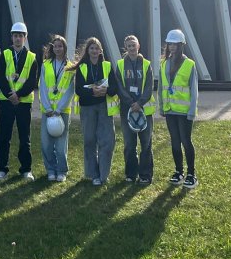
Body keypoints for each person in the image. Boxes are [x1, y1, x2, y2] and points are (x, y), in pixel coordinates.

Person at [67, 36, 118, 186]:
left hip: (104, 108)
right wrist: (93, 91)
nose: (94, 51)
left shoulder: (107, 66)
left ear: (101, 51)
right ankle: (92, 174)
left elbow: (114, 88)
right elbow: (78, 90)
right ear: (87, 50)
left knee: (107, 141)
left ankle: (103, 175)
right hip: (87, 108)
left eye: (97, 48)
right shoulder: (82, 67)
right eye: (92, 48)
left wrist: (105, 91)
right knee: (89, 141)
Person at [0, 22, 38, 181]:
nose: (18, 38)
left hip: (24, 102)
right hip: (7, 102)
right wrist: (10, 95)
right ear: (11, 37)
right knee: (3, 137)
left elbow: (32, 81)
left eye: (20, 36)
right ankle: (2, 169)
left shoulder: (32, 57)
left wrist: (18, 95)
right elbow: (0, 77)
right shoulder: (4, 54)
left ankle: (26, 169)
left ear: (25, 38)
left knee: (24, 137)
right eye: (15, 36)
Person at [158, 28, 199, 189]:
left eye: (175, 44)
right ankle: (179, 171)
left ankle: (191, 174)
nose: (172, 47)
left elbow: (194, 90)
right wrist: (162, 107)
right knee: (175, 142)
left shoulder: (190, 64)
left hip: (184, 111)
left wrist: (192, 112)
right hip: (170, 110)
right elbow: (161, 87)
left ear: (181, 45)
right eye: (170, 44)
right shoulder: (164, 64)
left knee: (186, 141)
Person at [116, 34, 156, 185]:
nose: (132, 48)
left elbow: (149, 86)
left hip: (144, 109)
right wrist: (131, 103)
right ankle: (130, 174)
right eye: (129, 46)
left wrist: (139, 103)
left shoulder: (146, 64)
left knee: (146, 143)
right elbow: (119, 86)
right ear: (125, 48)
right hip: (127, 110)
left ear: (138, 46)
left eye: (134, 45)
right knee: (129, 144)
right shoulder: (120, 65)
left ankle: (145, 175)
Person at [39, 34, 75, 182]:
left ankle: (62, 171)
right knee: (46, 144)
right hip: (47, 111)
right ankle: (51, 170)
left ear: (64, 48)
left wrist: (59, 109)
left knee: (60, 145)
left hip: (62, 112)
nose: (58, 49)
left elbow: (70, 90)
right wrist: (47, 108)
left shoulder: (71, 67)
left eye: (60, 46)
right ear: (52, 48)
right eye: (55, 46)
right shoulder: (46, 64)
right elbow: (42, 86)